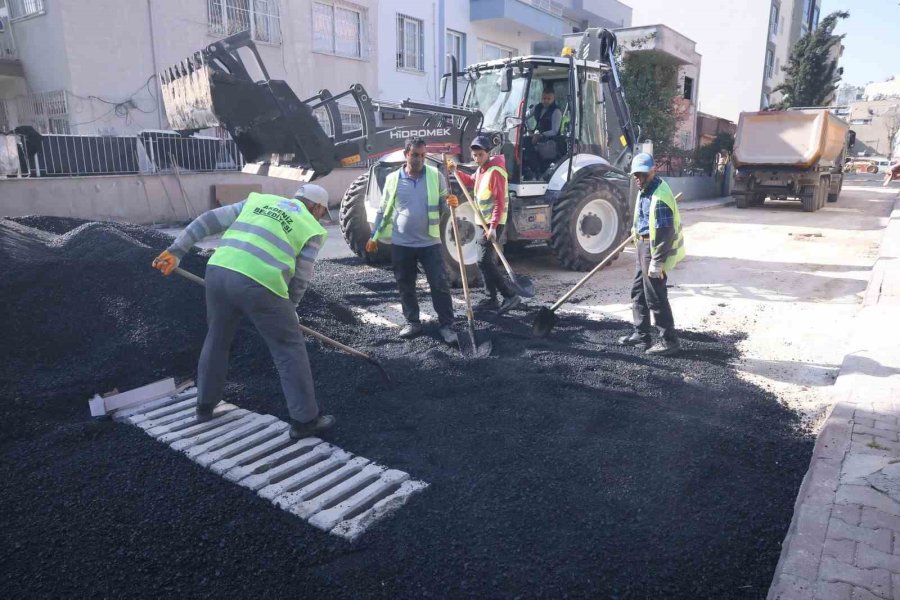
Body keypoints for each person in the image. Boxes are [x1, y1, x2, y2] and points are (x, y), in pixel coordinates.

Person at [151, 185, 335, 440]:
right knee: (288, 348)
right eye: (321, 213)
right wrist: (290, 308)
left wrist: (177, 250)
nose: (319, 219)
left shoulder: (258, 200)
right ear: (316, 207)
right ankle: (305, 420)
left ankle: (204, 405)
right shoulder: (311, 227)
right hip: (260, 283)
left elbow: (209, 220)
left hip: (218, 271)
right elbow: (302, 276)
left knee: (217, 338)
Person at [366, 138, 459, 344]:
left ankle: (447, 325)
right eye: (415, 154)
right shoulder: (392, 179)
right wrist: (374, 236)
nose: (419, 159)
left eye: (423, 155)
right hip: (402, 243)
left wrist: (450, 203)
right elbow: (383, 210)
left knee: (439, 284)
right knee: (405, 284)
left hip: (430, 242)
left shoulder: (436, 176)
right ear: (406, 154)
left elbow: (445, 203)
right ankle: (413, 322)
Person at [618, 153, 685, 356]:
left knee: (655, 296)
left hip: (653, 250)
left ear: (653, 171)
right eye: (636, 175)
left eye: (642, 174)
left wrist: (657, 261)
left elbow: (665, 232)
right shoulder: (645, 189)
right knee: (638, 292)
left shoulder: (660, 196)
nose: (638, 178)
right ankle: (641, 333)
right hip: (642, 245)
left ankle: (669, 340)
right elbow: (642, 218)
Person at [447, 135, 521, 314]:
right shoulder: (482, 170)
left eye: (480, 154)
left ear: (488, 153)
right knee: (484, 261)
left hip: (492, 222)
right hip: (483, 221)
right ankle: (492, 298)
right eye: (474, 155)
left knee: (482, 261)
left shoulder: (495, 171)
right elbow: (471, 182)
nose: (476, 158)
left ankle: (509, 295)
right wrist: (456, 171)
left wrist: (494, 227)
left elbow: (499, 202)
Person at [523, 88, 563, 179]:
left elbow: (555, 131)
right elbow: (523, 116)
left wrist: (540, 135)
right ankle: (526, 170)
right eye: (544, 98)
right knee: (523, 140)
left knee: (527, 142)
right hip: (537, 135)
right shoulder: (538, 107)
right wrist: (529, 130)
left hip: (551, 140)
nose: (546, 101)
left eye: (549, 99)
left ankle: (536, 171)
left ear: (554, 98)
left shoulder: (556, 111)